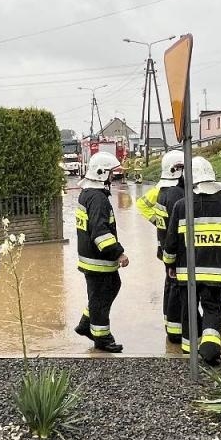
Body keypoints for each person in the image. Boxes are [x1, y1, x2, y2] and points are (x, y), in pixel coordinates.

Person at [162, 156, 221, 365]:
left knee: (189, 307)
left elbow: (171, 242)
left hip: (187, 272)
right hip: (217, 271)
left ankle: (190, 349)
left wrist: (169, 264)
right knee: (213, 307)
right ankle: (211, 346)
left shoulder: (181, 206)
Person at [74, 151, 129, 352]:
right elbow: (100, 232)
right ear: (101, 173)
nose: (114, 177)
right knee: (102, 294)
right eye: (112, 173)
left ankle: (85, 324)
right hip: (98, 261)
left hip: (91, 259)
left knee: (108, 289)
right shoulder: (98, 199)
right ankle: (102, 337)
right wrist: (119, 253)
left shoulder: (87, 194)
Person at [135, 150, 186, 343]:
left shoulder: (161, 191)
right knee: (175, 287)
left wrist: (158, 222)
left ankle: (169, 323)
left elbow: (142, 205)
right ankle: (174, 329)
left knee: (169, 285)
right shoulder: (175, 194)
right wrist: (160, 222)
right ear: (178, 169)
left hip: (164, 247)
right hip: (175, 250)